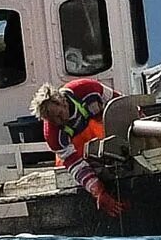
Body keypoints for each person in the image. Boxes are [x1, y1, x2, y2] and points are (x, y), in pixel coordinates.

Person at [31, 80, 123, 218]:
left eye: (59, 115)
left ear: (62, 101)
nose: (58, 122)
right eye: (52, 120)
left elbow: (121, 104)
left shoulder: (87, 89)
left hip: (109, 144)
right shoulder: (53, 135)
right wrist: (99, 192)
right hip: (80, 159)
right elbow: (76, 165)